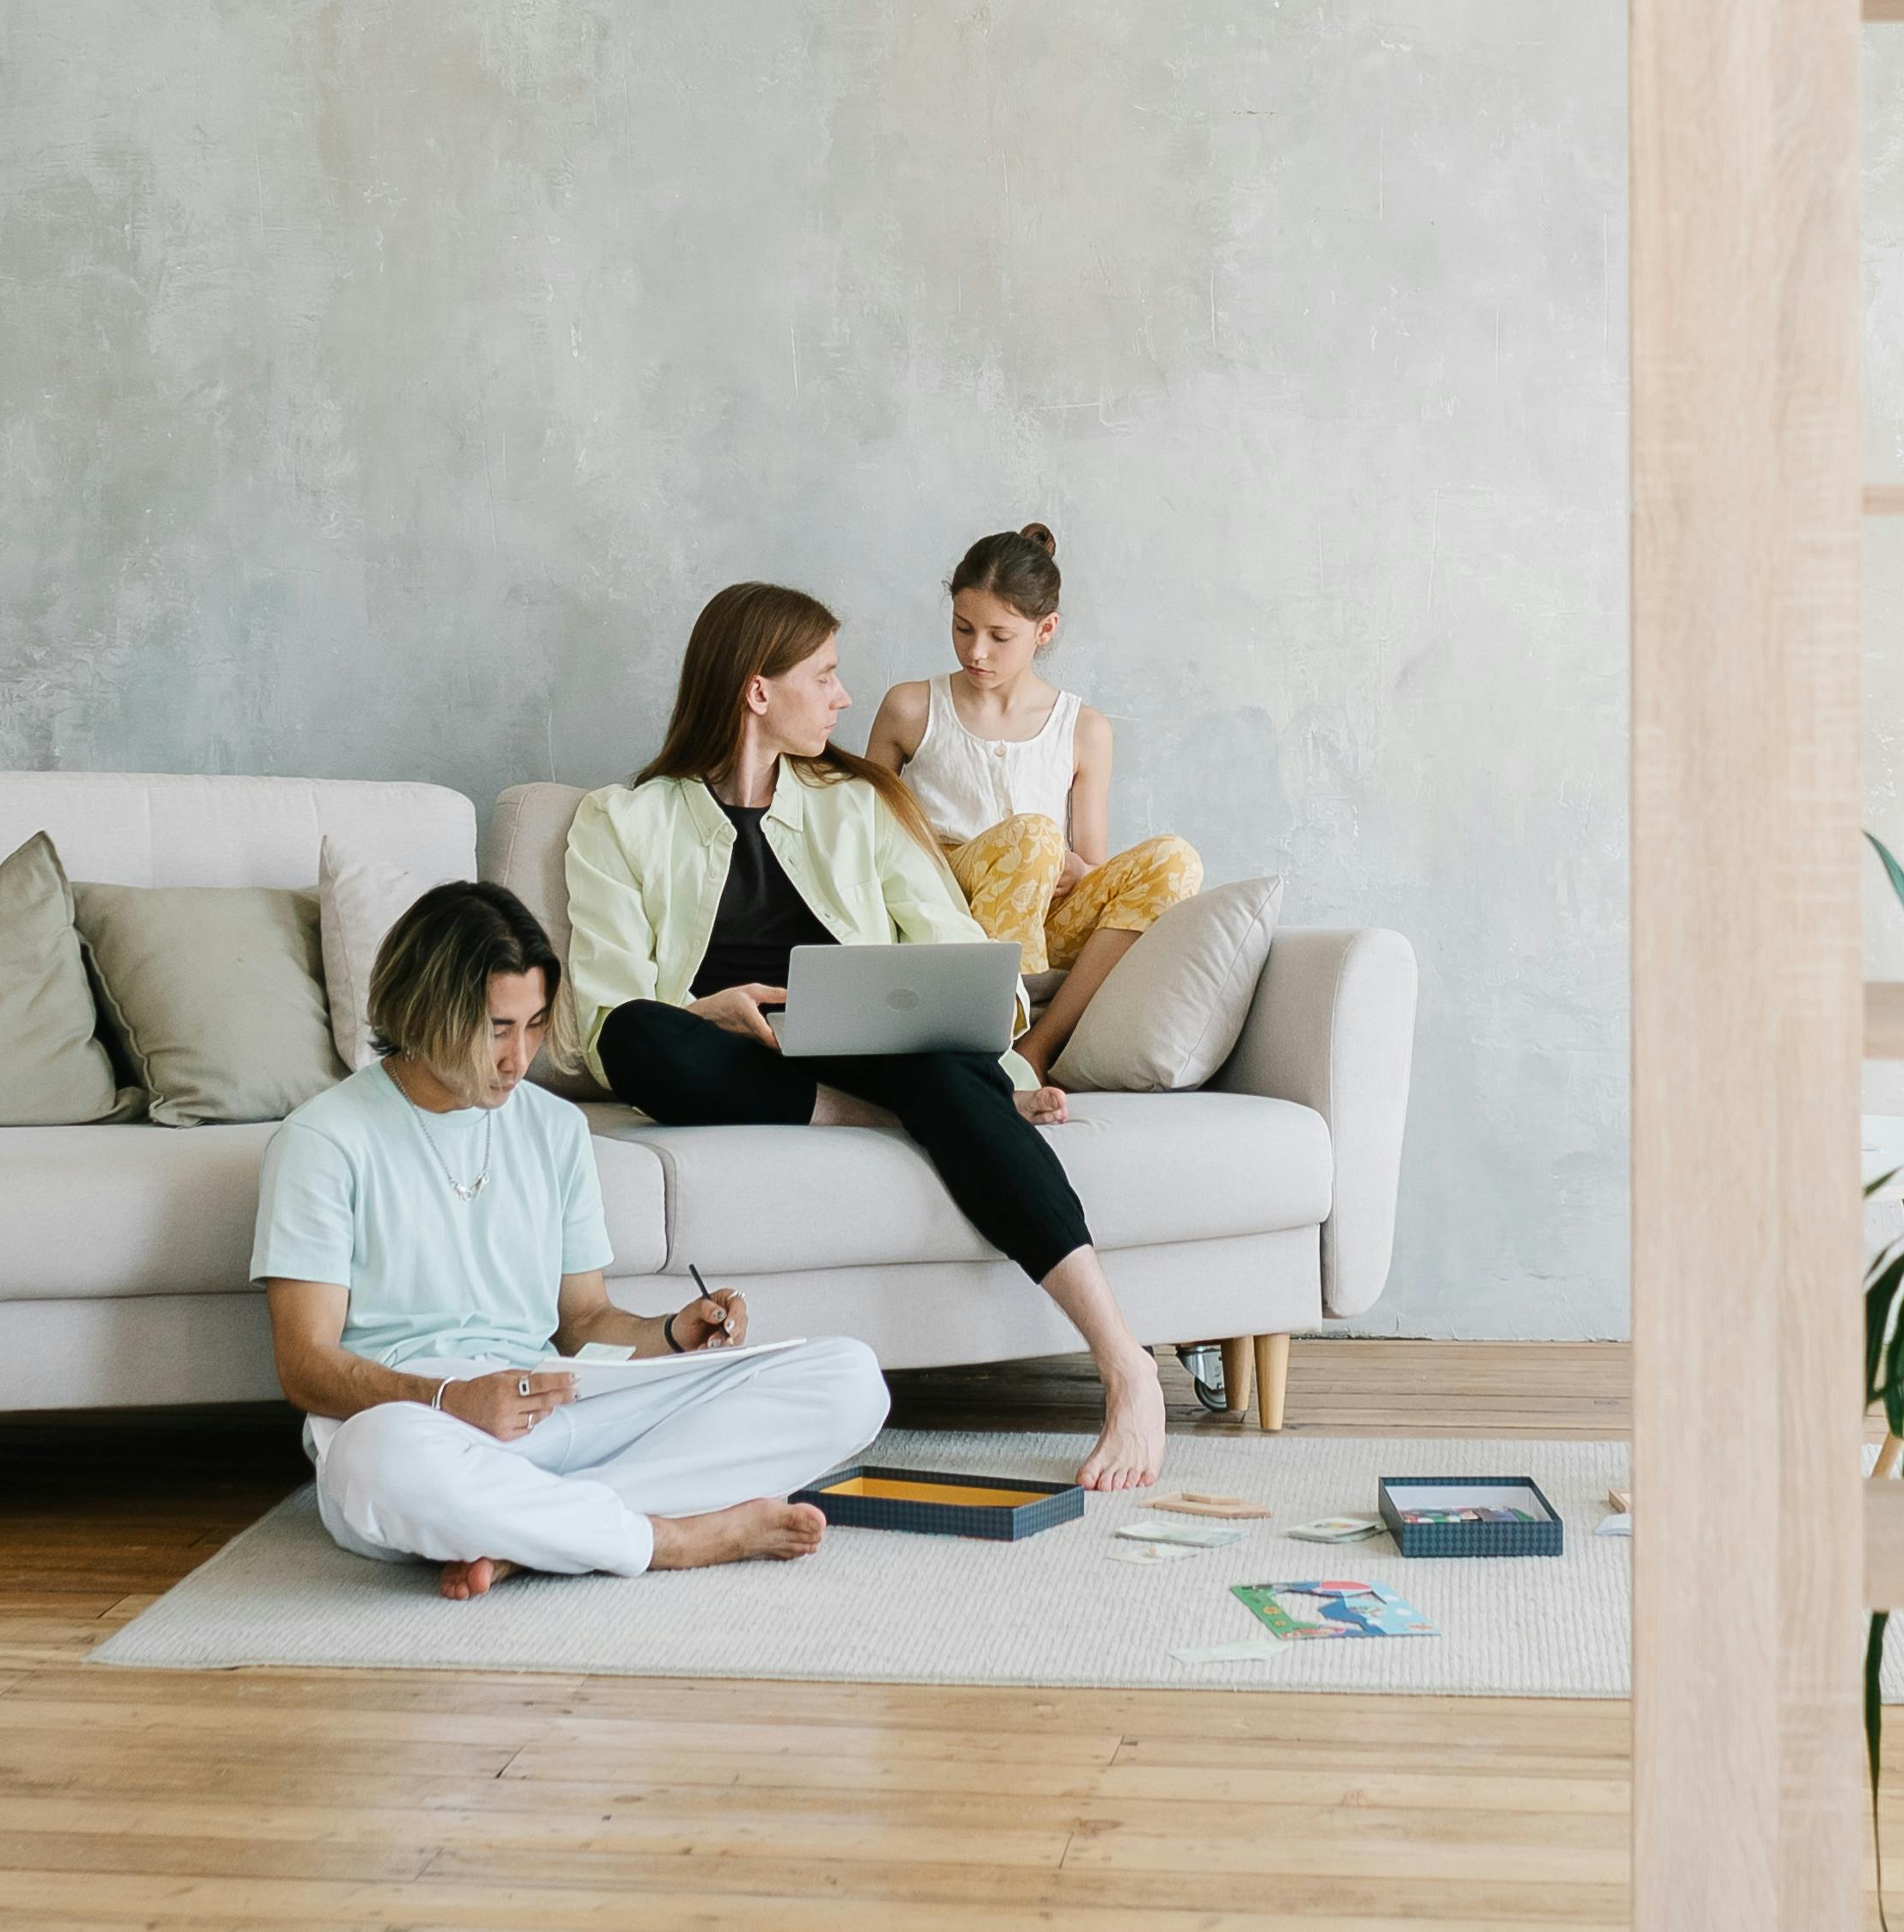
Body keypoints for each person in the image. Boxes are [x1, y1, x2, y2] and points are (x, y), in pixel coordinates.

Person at [560, 580, 1170, 1491]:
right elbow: (600, 1012)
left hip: (866, 1040)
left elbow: (954, 949)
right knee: (645, 1038)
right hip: (723, 1050)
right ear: (759, 691)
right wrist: (707, 1006)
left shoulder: (859, 800)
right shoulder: (620, 817)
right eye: (825, 674)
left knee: (935, 1067)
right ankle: (885, 1112)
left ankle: (1123, 1361)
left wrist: (998, 1060)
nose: (844, 696)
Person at [254, 877, 890, 1598]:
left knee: (849, 1377)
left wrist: (675, 1335)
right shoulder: (322, 1139)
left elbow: (584, 1323)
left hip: (562, 1408)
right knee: (378, 1462)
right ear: (423, 1010)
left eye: (534, 1025)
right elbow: (303, 1366)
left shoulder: (554, 1127)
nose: (519, 1057)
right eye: (497, 1028)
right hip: (424, 1426)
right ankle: (669, 1536)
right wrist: (448, 1401)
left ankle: (541, 1532)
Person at [866, 523, 1203, 1072]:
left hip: (1043, 915)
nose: (977, 651)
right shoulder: (912, 707)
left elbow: (1093, 860)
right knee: (1033, 836)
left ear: (1045, 630)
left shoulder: (1083, 727)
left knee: (1175, 859)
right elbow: (862, 834)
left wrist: (1074, 868)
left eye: (1000, 636)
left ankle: (1038, 1043)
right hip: (946, 906)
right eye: (962, 628)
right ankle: (991, 1036)